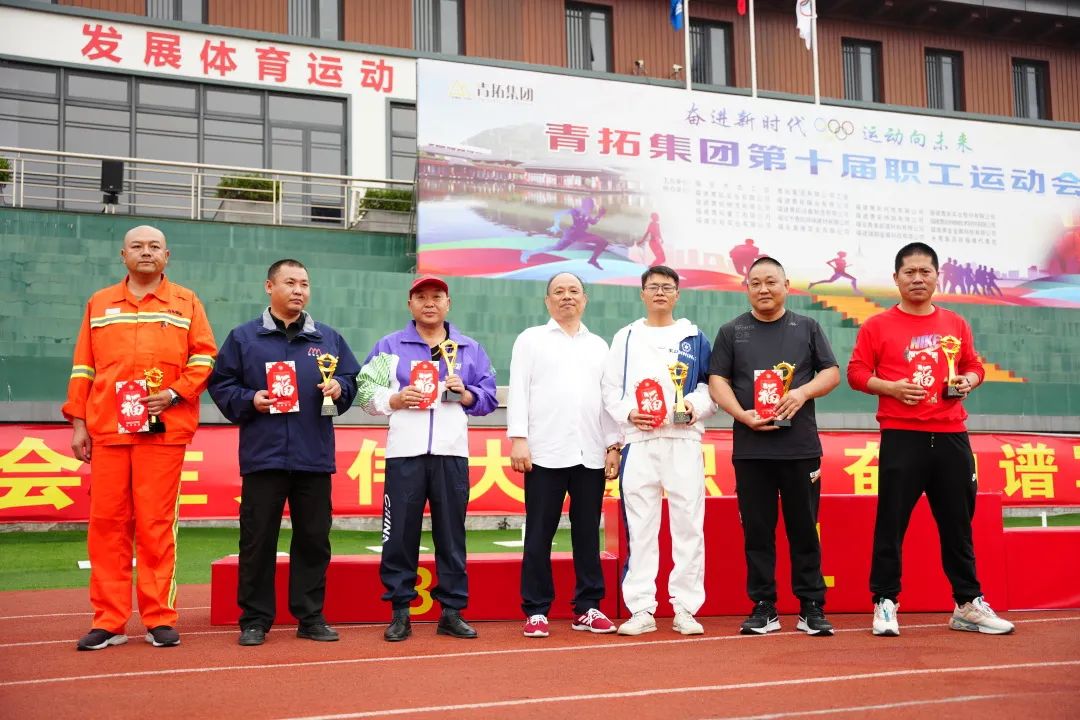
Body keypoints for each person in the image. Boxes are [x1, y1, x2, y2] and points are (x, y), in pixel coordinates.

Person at [848, 242, 1014, 637]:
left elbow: (974, 366)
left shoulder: (955, 323)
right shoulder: (877, 326)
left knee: (958, 525)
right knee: (891, 523)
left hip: (952, 434)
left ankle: (967, 603)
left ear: (937, 277)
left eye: (925, 272)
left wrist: (967, 380)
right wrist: (891, 387)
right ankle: (885, 602)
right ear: (896, 278)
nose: (918, 279)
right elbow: (856, 373)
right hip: (902, 435)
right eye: (910, 272)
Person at [63, 225, 217, 651]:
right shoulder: (99, 303)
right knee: (107, 526)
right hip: (108, 430)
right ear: (123, 255)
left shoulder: (186, 301)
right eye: (137, 246)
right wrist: (78, 423)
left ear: (167, 256)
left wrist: (174, 393)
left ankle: (159, 618)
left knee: (155, 525)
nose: (145, 252)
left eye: (154, 247)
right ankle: (109, 621)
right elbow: (83, 367)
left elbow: (205, 358)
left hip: (163, 431)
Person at [208, 259, 360, 647]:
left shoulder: (327, 338)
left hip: (313, 455)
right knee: (257, 540)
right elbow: (221, 383)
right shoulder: (244, 338)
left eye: (304, 284)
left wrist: (340, 389)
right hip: (264, 456)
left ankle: (310, 616)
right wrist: (250, 398)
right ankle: (255, 620)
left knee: (313, 539)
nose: (298, 290)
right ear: (269, 286)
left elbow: (350, 379)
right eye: (290, 282)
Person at [356, 275, 498, 641]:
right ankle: (399, 612)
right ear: (410, 304)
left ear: (449, 303)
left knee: (451, 536)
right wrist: (394, 399)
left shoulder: (468, 348)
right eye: (421, 297)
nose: (429, 302)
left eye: (437, 296)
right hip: (405, 454)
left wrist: (466, 394)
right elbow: (364, 392)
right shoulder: (389, 346)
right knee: (399, 535)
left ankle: (451, 611)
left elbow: (489, 397)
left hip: (452, 454)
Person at [708, 257, 840, 637]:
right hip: (751, 449)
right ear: (746, 288)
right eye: (756, 283)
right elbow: (717, 380)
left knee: (804, 529)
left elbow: (831, 372)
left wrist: (801, 393)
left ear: (786, 285)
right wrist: (741, 414)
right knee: (757, 532)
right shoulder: (732, 331)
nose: (763, 289)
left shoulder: (807, 327)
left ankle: (811, 606)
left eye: (771, 281)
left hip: (800, 448)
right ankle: (763, 606)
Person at [601, 265, 717, 636]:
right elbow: (610, 389)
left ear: (677, 294)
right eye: (653, 287)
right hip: (639, 441)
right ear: (642, 293)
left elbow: (709, 386)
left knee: (688, 525)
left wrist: (694, 407)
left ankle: (686, 608)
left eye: (667, 287)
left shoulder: (694, 336)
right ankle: (641, 609)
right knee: (640, 527)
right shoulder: (626, 337)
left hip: (684, 440)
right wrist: (628, 413)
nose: (660, 293)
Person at [508, 272, 622, 638]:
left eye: (574, 291)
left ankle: (588, 607)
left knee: (587, 534)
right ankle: (536, 610)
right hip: (544, 452)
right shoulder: (531, 340)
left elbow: (608, 400)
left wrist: (613, 445)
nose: (567, 297)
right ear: (548, 301)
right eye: (559, 291)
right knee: (539, 533)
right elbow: (519, 391)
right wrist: (519, 439)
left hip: (590, 453)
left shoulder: (599, 346)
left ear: (585, 300)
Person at [522, 197, 610, 270]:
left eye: (592, 206)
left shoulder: (587, 213)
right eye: (591, 205)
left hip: (582, 234)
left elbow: (593, 222)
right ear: (585, 205)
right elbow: (558, 213)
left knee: (603, 242)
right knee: (557, 248)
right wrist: (556, 225)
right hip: (572, 234)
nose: (592, 207)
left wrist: (600, 215)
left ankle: (592, 260)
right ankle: (528, 253)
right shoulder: (576, 210)